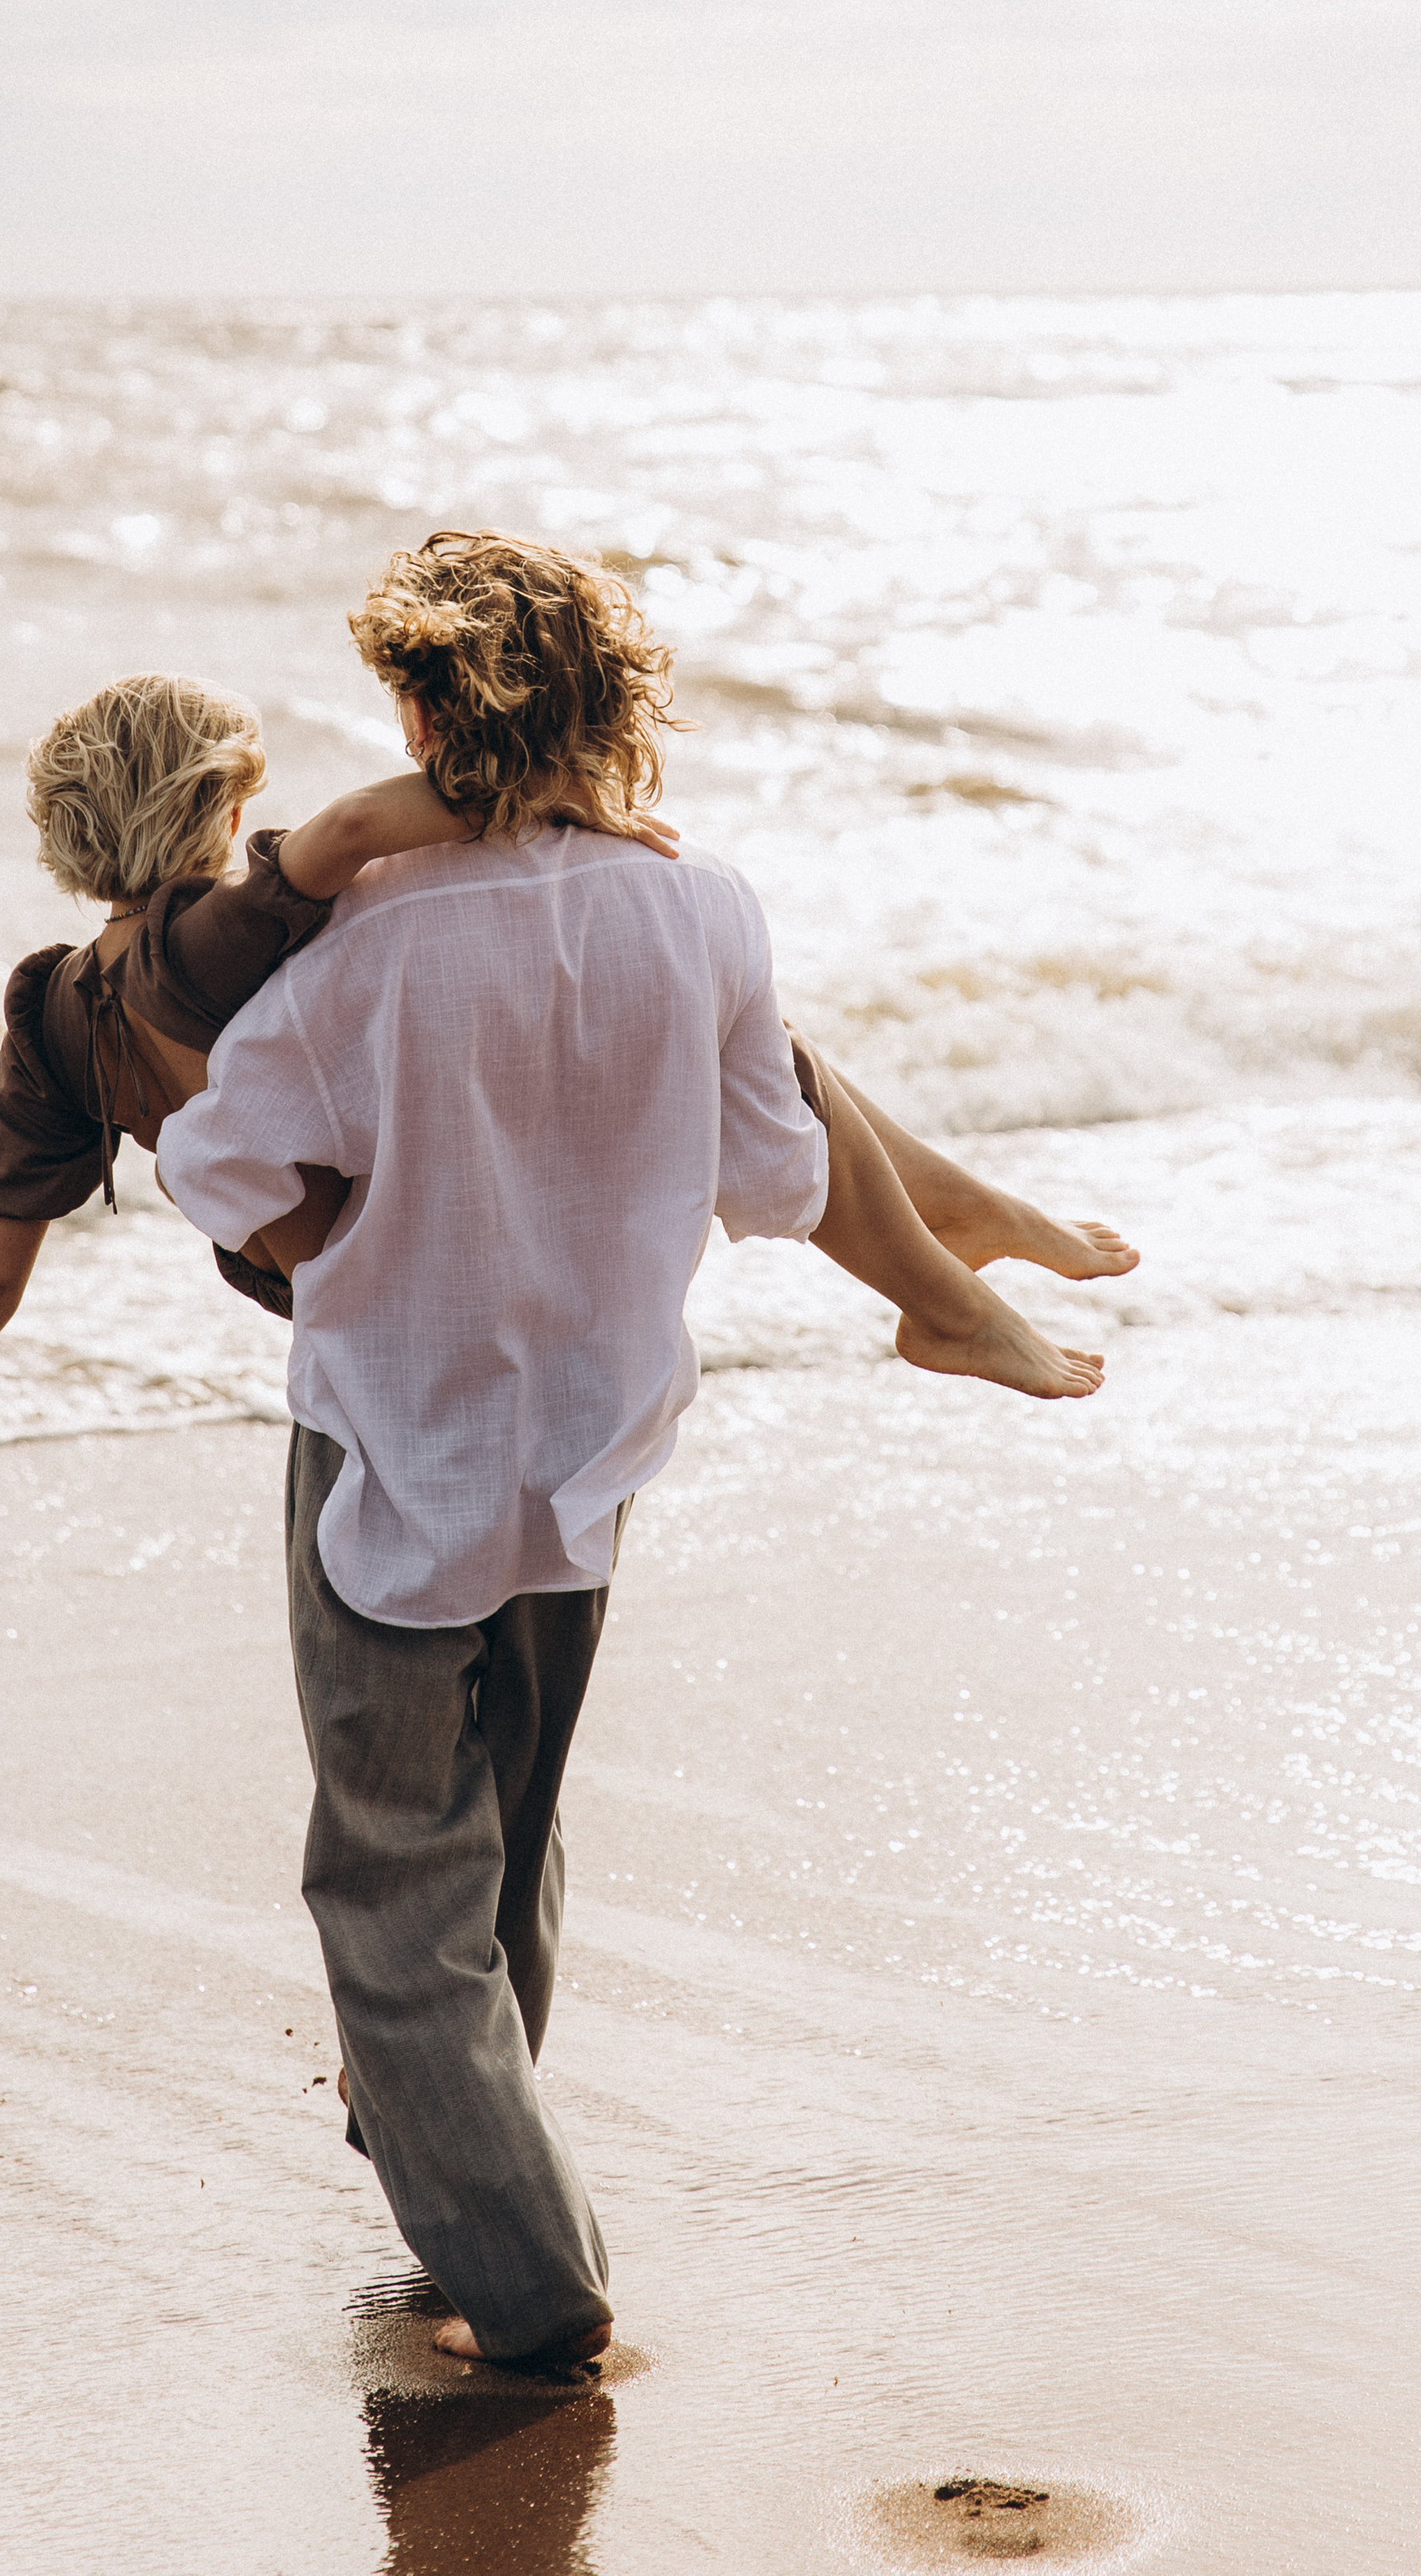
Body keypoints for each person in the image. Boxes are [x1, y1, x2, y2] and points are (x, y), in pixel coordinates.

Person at [151, 531, 1129, 2374]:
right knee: (507, 1848)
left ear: (428, 709)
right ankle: (446, 2136)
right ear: (608, 699)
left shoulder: (366, 944)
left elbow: (215, 1169)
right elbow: (776, 1170)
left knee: (387, 1879)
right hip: (587, 1453)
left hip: (387, 1444)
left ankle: (532, 2287)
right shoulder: (701, 911)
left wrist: (339, 1250)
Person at [0, 638, 1130, 1613]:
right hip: (476, 1277)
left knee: (392, 1741)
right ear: (219, 800)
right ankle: (939, 1246)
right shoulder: (247, 931)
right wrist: (547, 794)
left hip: (344, 1319)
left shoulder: (51, 1018)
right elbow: (347, 834)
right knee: (730, 1029)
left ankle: (955, 1228)